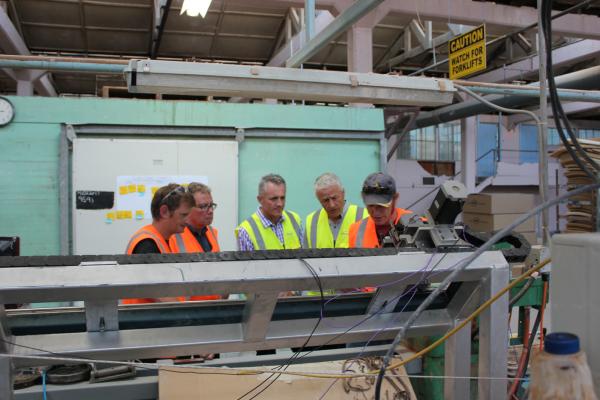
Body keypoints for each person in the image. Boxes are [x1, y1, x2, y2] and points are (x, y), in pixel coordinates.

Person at [124, 183, 194, 303]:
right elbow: (154, 291)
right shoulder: (146, 243)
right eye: (183, 215)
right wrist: (184, 314)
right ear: (164, 212)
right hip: (145, 319)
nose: (188, 220)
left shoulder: (169, 240)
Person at [169, 182, 222, 301]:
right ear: (188, 209)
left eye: (211, 205)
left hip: (214, 308)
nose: (210, 211)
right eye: (203, 206)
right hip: (187, 310)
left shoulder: (212, 232)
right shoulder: (174, 237)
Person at [349, 172, 419, 248]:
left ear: (395, 199)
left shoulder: (418, 225)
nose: (375, 212)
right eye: (370, 205)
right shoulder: (355, 231)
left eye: (381, 206)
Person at [236, 173, 303, 250]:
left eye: (282, 198)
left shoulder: (295, 220)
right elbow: (246, 262)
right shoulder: (246, 231)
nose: (279, 204)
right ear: (260, 199)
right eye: (274, 199)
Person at [304, 172, 368, 249]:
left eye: (334, 198)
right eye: (326, 200)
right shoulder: (311, 221)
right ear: (319, 200)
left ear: (343, 193)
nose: (332, 205)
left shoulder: (365, 216)